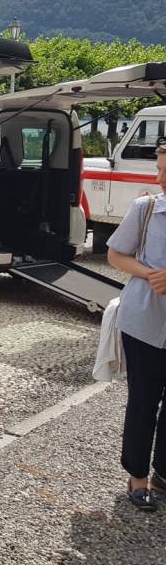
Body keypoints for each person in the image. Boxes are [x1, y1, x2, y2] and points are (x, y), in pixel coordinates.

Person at [105, 139, 166, 511]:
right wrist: (148, 273)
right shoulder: (146, 209)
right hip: (143, 321)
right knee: (143, 401)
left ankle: (163, 472)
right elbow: (115, 254)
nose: (161, 179)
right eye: (159, 170)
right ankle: (137, 476)